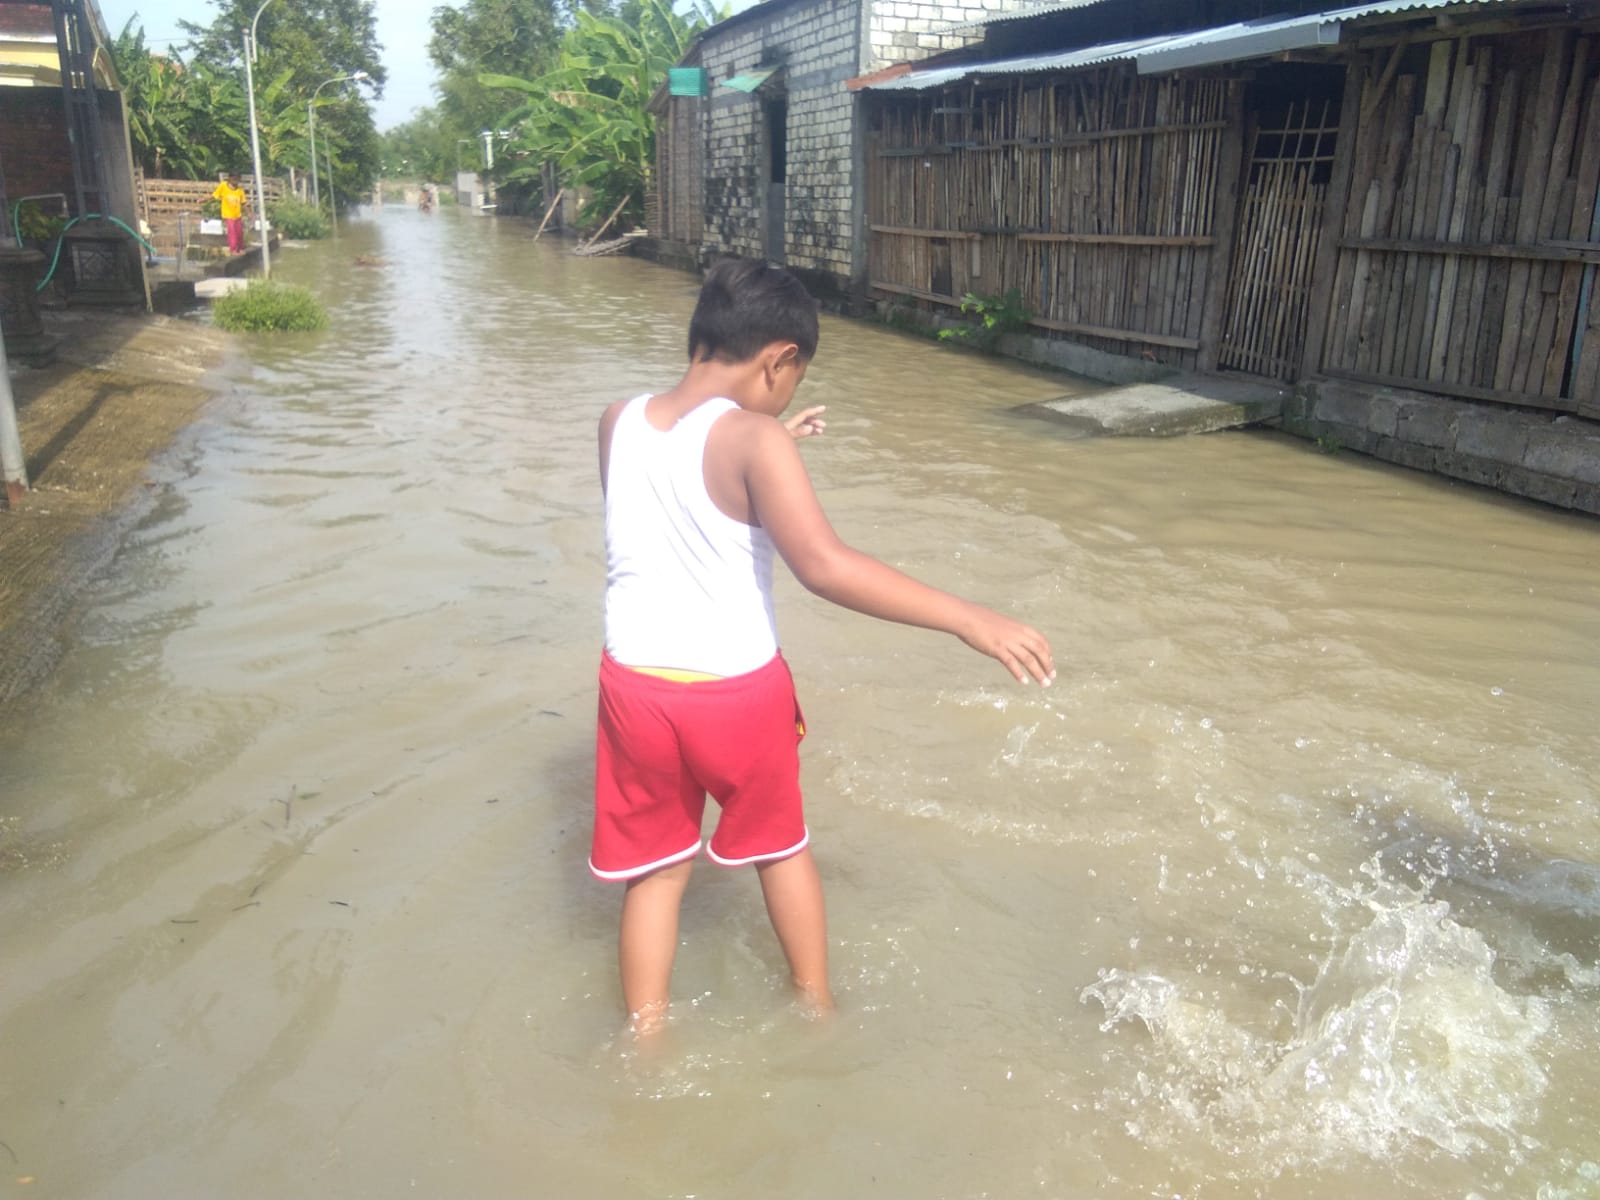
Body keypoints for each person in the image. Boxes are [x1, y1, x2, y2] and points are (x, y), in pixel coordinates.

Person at [593, 257, 1055, 1036]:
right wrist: (968, 617)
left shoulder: (617, 419)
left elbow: (665, 506)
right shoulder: (754, 441)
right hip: (734, 694)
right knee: (780, 849)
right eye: (794, 379)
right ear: (779, 360)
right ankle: (817, 1011)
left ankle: (644, 1039)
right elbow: (825, 566)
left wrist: (771, 442)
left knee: (656, 874)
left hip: (634, 688)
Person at [212, 173, 246, 255]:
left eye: (237, 179)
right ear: (230, 178)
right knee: (232, 232)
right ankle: (233, 249)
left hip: (237, 215)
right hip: (228, 215)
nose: (235, 181)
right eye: (234, 179)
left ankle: (240, 248)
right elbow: (214, 195)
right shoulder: (223, 186)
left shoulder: (240, 191)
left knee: (239, 233)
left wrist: (249, 213)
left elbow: (243, 203)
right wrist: (203, 199)